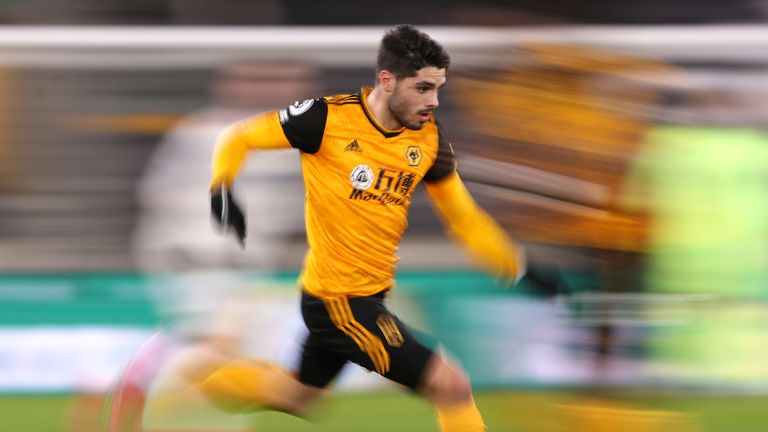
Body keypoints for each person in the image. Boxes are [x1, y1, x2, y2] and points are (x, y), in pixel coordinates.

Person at [203, 24, 525, 432]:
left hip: (361, 294)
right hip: (341, 302)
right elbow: (239, 136)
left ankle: (202, 387)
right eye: (423, 88)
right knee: (451, 384)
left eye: (438, 89)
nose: (434, 101)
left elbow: (464, 217)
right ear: (387, 81)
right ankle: (198, 386)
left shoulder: (428, 140)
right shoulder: (326, 118)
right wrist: (222, 188)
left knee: (297, 398)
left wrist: (518, 266)